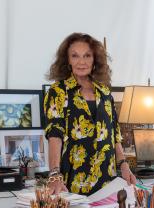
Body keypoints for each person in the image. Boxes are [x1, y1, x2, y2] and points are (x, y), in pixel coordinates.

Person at [44, 32, 136, 195]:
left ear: (95, 60)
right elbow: (54, 136)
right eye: (75, 56)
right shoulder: (58, 91)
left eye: (87, 55)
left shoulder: (105, 92)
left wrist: (124, 165)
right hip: (71, 184)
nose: (81, 61)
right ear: (67, 60)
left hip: (107, 184)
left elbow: (114, 135)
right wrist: (54, 174)